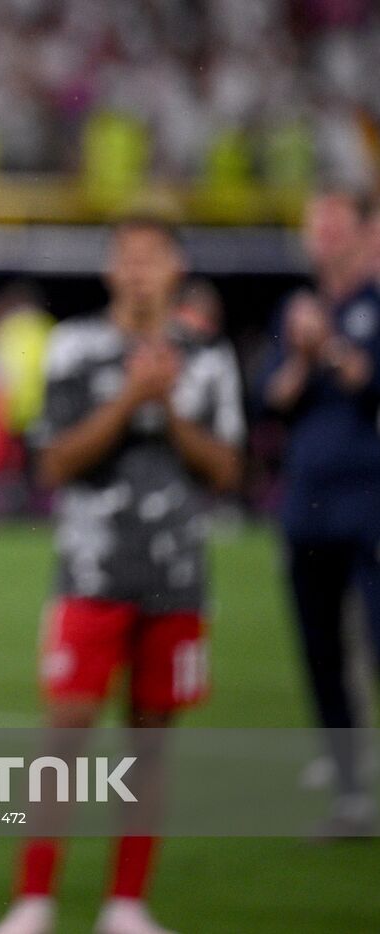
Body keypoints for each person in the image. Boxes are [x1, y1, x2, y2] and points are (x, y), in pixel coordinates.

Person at [0, 218, 244, 934]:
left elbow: (228, 469)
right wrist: (133, 400)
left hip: (178, 574)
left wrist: (165, 406)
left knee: (152, 740)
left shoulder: (207, 354)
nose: (136, 272)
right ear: (109, 271)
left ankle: (126, 902)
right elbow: (54, 462)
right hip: (90, 570)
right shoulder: (75, 345)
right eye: (125, 259)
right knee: (66, 732)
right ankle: (33, 899)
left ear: (176, 269)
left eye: (151, 259)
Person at [259, 190, 380, 833]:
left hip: (369, 501)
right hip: (307, 503)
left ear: (364, 232)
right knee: (321, 650)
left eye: (334, 222)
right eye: (315, 222)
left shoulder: (371, 306)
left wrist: (327, 344)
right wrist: (305, 352)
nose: (322, 234)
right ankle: (349, 792)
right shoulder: (296, 311)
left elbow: (369, 380)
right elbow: (273, 398)